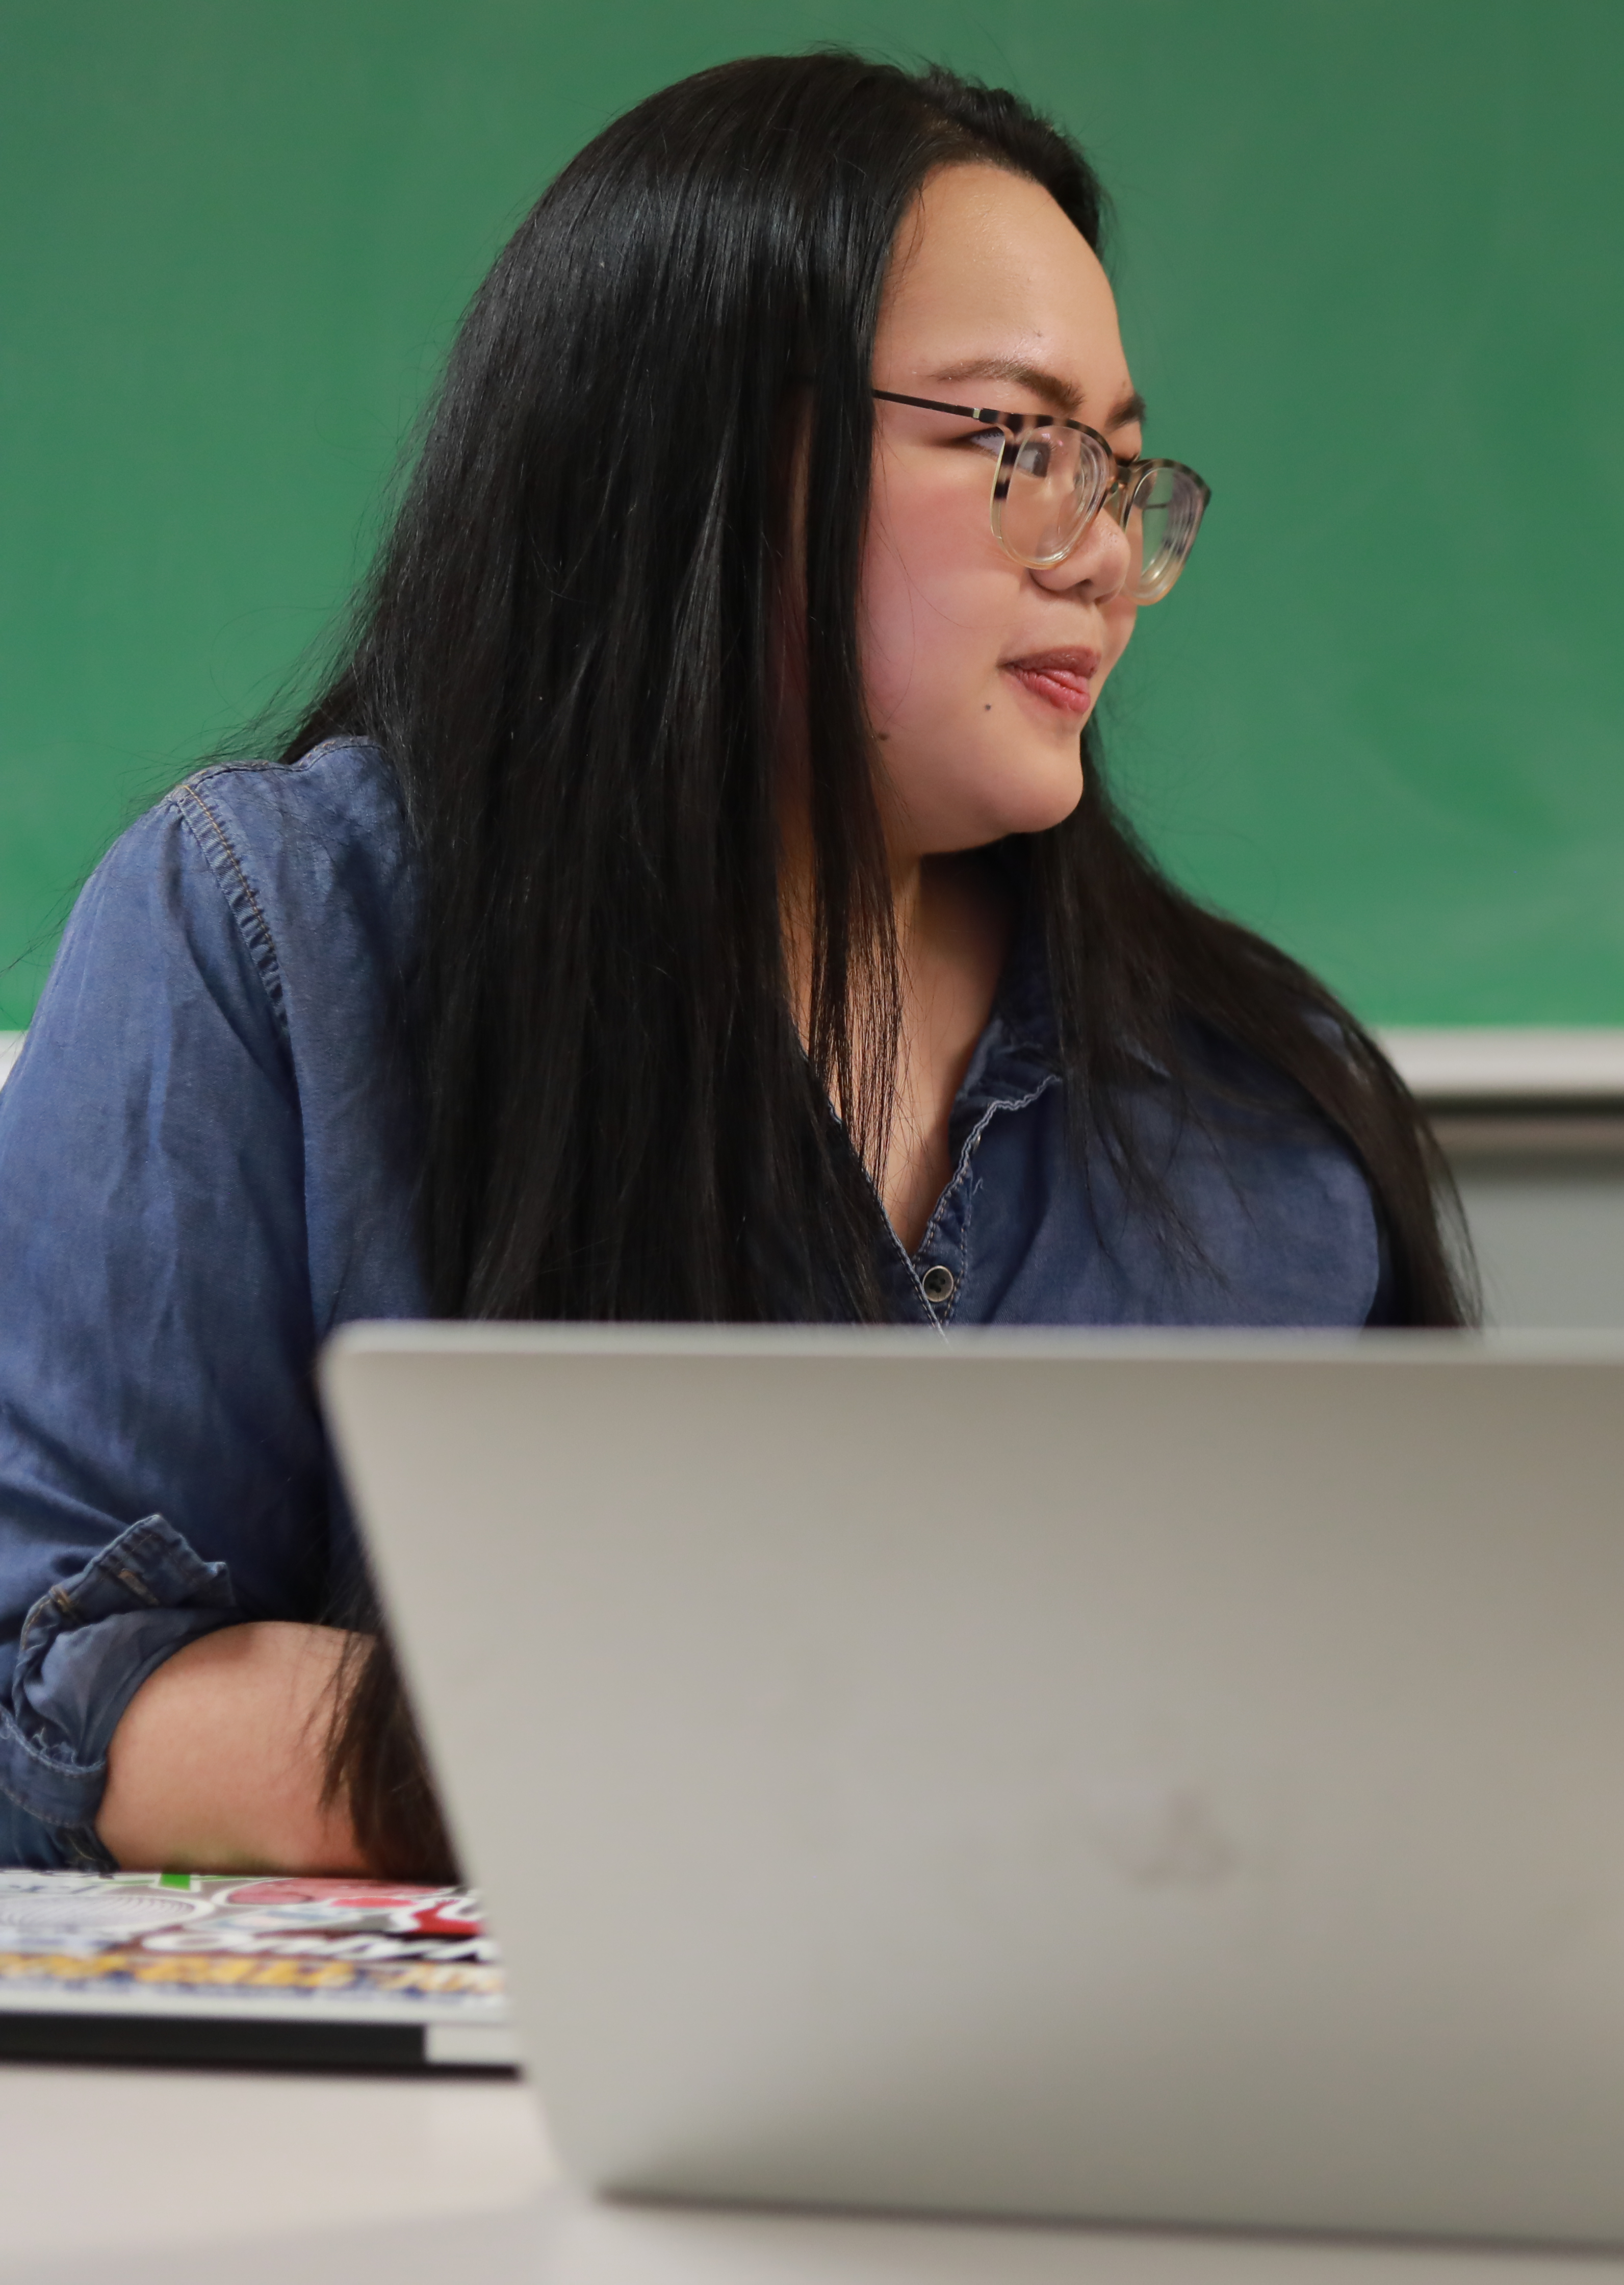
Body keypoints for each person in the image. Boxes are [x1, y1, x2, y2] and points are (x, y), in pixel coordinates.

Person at [0, 56, 1460, 1880]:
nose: (1105, 560)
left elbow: (1394, 1757)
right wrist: (780, 1763)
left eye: (1121, 469)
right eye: (1017, 446)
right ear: (709, 453)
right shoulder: (278, 927)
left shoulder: (1259, 1108)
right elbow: (55, 1686)